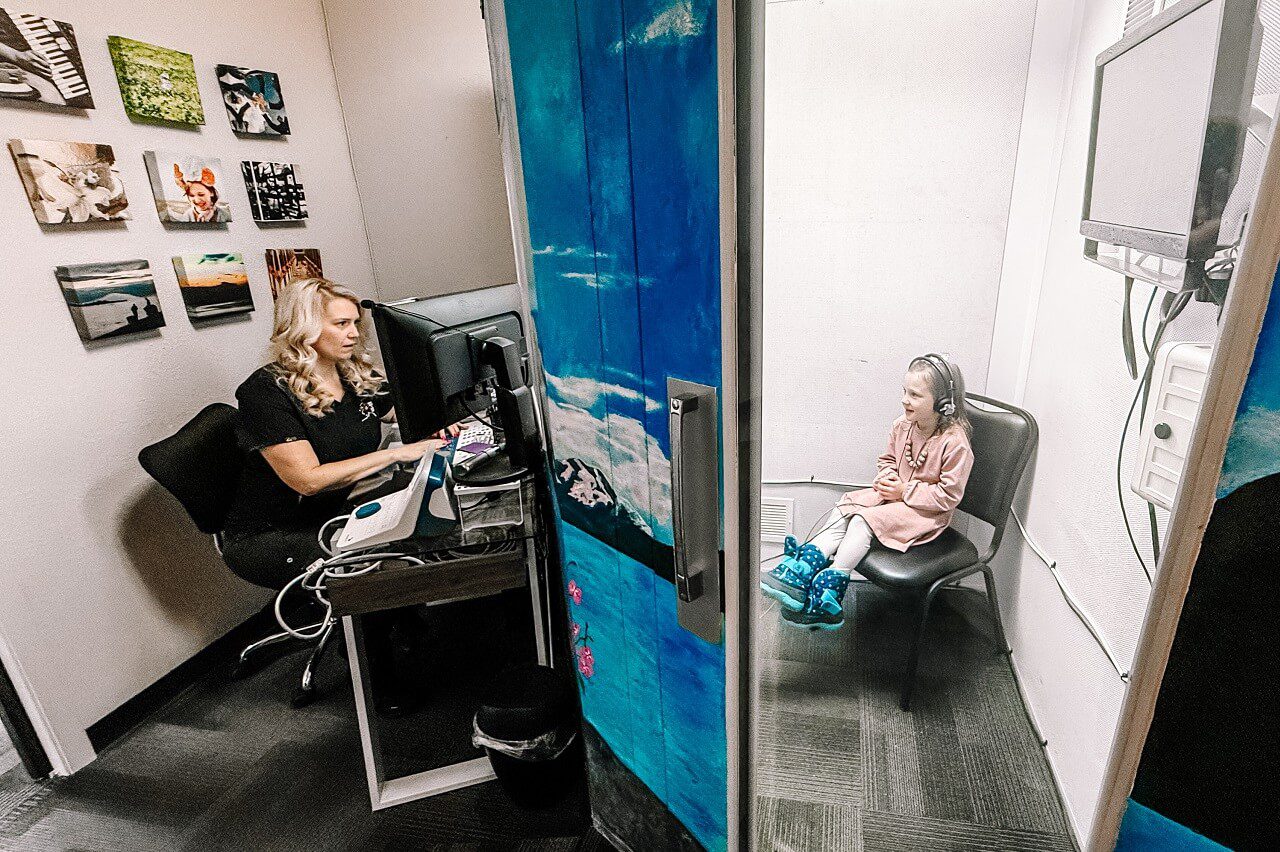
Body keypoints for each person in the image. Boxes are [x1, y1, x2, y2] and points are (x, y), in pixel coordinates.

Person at [221, 277, 456, 711]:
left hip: (334, 509)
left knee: (405, 522)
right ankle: (378, 682)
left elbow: (400, 413)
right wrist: (395, 455)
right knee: (364, 564)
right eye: (341, 324)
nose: (353, 334)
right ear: (305, 326)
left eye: (355, 324)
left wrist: (439, 423)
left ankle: (396, 618)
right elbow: (307, 479)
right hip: (267, 534)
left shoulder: (351, 373)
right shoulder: (265, 392)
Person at [761, 355, 974, 630]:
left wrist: (904, 490)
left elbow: (948, 496)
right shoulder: (902, 426)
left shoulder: (955, 443)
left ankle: (830, 591)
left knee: (863, 521)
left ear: (943, 404)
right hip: (895, 498)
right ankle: (799, 575)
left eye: (915, 395)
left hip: (926, 513)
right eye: (904, 392)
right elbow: (886, 460)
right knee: (846, 507)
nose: (905, 400)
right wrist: (888, 478)